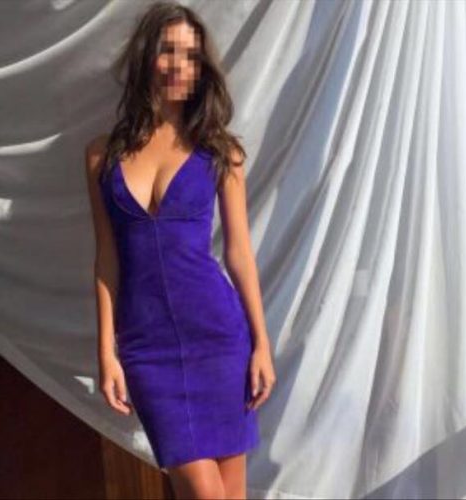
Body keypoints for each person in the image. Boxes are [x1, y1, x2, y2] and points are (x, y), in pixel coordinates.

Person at [84, 2, 276, 498]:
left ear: (202, 68)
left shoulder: (221, 152)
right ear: (147, 55)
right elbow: (107, 259)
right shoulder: (102, 155)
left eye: (191, 56)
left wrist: (262, 343)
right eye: (168, 51)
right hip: (148, 349)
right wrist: (106, 352)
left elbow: (239, 254)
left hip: (219, 337)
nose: (178, 65)